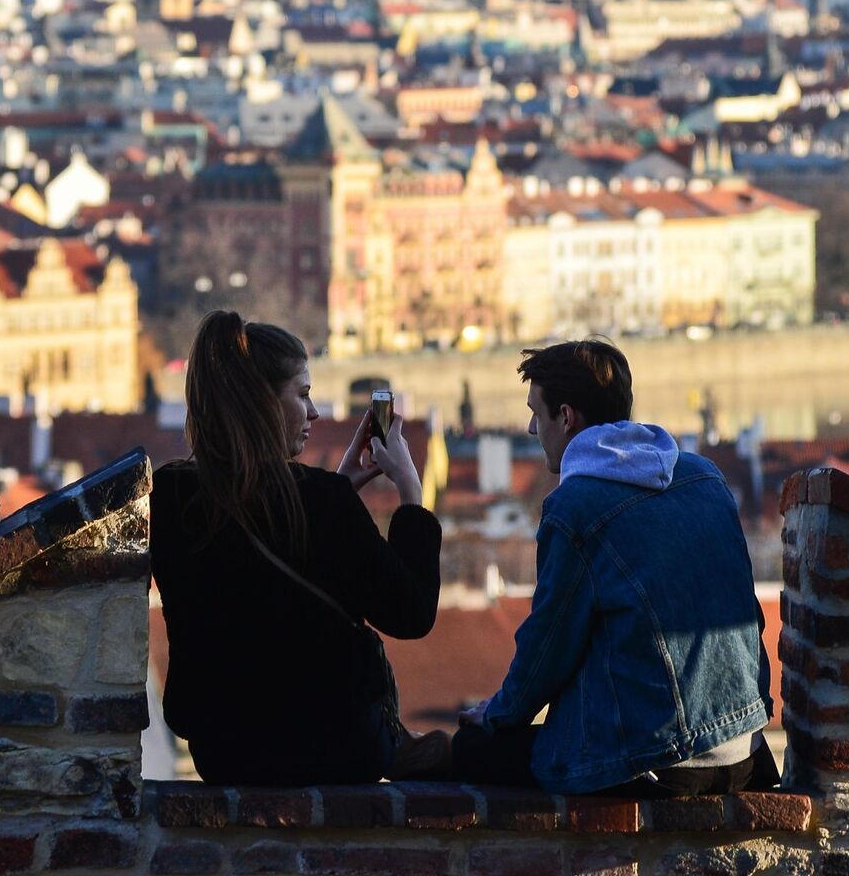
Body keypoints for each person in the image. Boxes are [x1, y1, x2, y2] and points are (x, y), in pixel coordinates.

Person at [453, 339, 777, 796]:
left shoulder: (574, 508)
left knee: (471, 751)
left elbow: (548, 647)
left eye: (536, 412)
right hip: (743, 750)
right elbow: (749, 614)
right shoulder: (705, 476)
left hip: (661, 763)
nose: (530, 428)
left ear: (566, 417)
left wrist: (496, 716)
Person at [150, 311, 442, 786]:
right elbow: (411, 614)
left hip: (224, 754)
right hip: (335, 748)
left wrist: (337, 489)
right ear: (261, 402)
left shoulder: (169, 495)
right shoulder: (323, 501)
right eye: (302, 394)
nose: (314, 413)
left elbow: (248, 546)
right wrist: (410, 490)